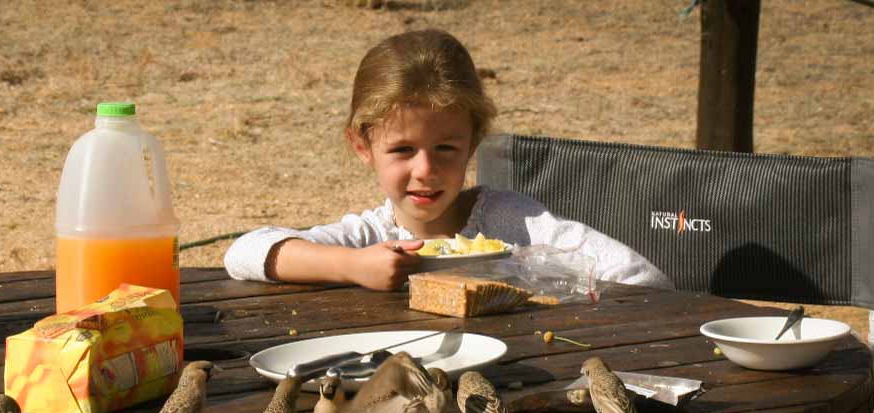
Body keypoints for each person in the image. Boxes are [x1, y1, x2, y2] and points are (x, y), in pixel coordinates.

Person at [223, 29, 670, 290]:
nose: (425, 170)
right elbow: (243, 252)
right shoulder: (373, 237)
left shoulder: (512, 224)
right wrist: (353, 266)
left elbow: (642, 279)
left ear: (473, 144)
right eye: (402, 150)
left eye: (445, 149)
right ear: (363, 147)